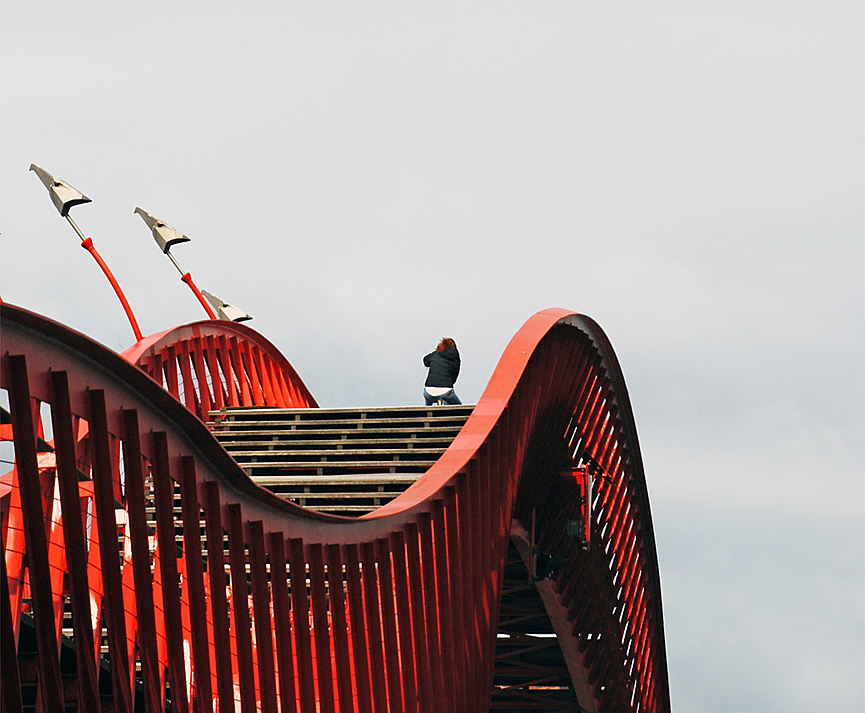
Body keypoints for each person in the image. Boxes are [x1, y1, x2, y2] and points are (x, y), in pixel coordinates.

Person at [423, 337, 462, 405]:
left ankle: (427, 410)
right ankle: (444, 404)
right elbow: (454, 376)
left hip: (429, 391)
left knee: (428, 398)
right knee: (459, 407)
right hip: (446, 391)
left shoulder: (435, 355)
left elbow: (425, 360)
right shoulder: (455, 359)